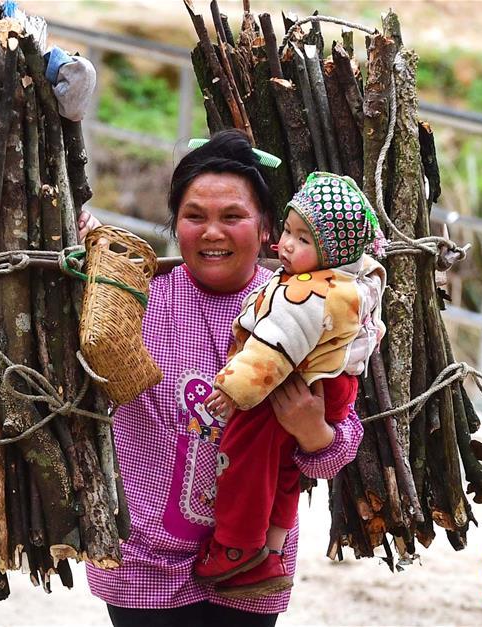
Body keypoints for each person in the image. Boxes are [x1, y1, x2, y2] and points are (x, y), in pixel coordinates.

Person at [79, 130, 364, 627]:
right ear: (175, 224)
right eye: (195, 217)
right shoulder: (138, 303)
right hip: (143, 562)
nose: (213, 232)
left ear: (267, 227)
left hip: (251, 569)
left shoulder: (305, 310)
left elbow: (336, 452)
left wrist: (311, 430)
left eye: (232, 217)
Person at [195, 172, 387, 597]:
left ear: (331, 254)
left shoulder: (305, 294)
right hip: (331, 386)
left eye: (302, 240)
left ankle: (236, 545)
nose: (285, 245)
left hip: (294, 385)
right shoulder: (351, 283)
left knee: (244, 453)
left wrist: (234, 388)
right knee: (282, 468)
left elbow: (272, 348)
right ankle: (272, 551)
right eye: (287, 231)